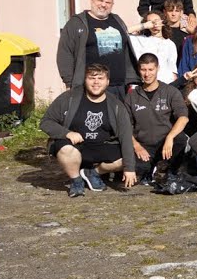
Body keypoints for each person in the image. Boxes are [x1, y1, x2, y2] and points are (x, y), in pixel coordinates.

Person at [41, 63, 137, 196]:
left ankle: (92, 173)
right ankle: (76, 180)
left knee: (128, 159)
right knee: (66, 149)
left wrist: (129, 169)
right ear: (85, 80)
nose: (96, 82)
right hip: (76, 146)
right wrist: (67, 133)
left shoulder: (116, 105)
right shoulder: (69, 98)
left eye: (100, 78)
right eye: (92, 78)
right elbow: (46, 122)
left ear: (107, 82)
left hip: (102, 146)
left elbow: (125, 136)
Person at [57, 0, 140, 97]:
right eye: (100, 1)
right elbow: (65, 52)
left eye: (108, 2)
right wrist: (69, 83)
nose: (103, 5)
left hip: (119, 86)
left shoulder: (117, 20)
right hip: (91, 87)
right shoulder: (77, 23)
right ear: (92, 1)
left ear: (112, 5)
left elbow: (126, 49)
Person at [126, 53, 189, 184]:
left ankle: (164, 168)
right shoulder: (132, 96)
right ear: (139, 70)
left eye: (151, 69)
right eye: (143, 70)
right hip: (143, 146)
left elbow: (183, 118)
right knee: (137, 171)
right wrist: (136, 146)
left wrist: (170, 137)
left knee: (180, 139)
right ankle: (149, 171)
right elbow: (124, 126)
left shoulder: (170, 91)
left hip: (165, 144)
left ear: (157, 68)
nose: (147, 74)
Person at [127, 11, 179, 84]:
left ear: (162, 22)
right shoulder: (141, 40)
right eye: (150, 22)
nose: (154, 24)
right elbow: (123, 32)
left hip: (165, 83)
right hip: (146, 82)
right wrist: (144, 25)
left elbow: (173, 69)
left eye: (156, 21)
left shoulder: (170, 44)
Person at [162, 0, 194, 66]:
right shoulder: (161, 30)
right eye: (170, 11)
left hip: (184, 67)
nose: (173, 14)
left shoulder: (188, 31)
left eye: (177, 11)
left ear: (181, 13)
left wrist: (193, 32)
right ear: (165, 12)